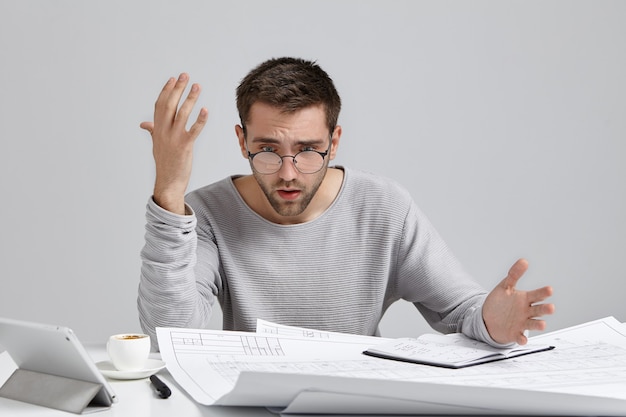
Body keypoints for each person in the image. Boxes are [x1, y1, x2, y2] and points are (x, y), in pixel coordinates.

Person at [138, 57, 554, 351]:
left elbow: (461, 309)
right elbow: (166, 335)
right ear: (241, 140)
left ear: (334, 142)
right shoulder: (207, 212)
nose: (287, 173)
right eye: (267, 149)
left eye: (308, 150)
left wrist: (491, 323)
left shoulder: (383, 206)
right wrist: (169, 193)